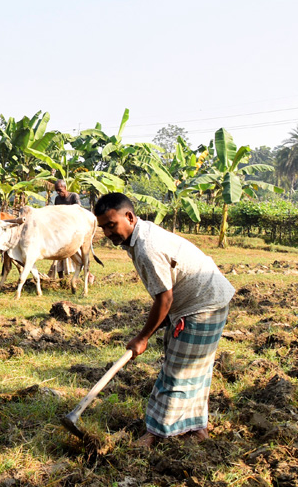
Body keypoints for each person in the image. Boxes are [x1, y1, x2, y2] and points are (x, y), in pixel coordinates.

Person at [93, 192, 233, 448]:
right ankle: (197, 430)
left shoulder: (147, 247)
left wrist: (142, 337)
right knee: (193, 372)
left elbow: (164, 299)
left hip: (203, 305)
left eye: (111, 225)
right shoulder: (140, 235)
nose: (108, 233)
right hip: (200, 301)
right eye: (103, 227)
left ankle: (155, 435)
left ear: (130, 217)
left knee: (176, 374)